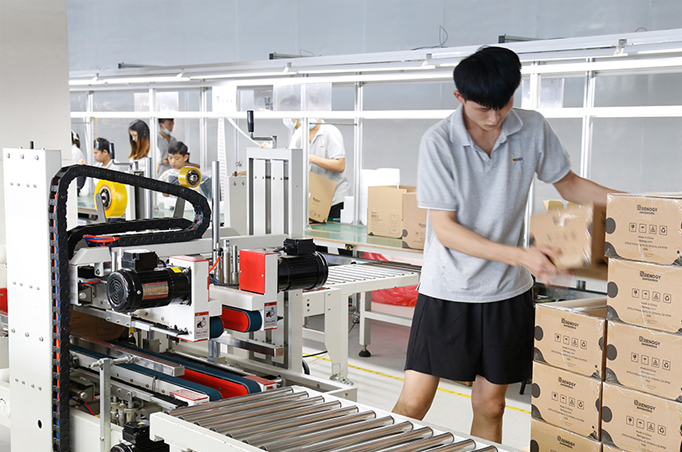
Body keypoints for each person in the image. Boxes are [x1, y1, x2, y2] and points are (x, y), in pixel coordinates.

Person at [391, 46, 619, 444]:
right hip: (448, 290)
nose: (494, 118)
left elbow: (569, 184)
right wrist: (520, 255)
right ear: (459, 96)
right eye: (483, 109)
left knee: (491, 405)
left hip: (506, 293)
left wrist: (642, 205)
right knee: (413, 403)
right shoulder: (439, 142)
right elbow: (446, 230)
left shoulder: (531, 128)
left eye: (504, 105)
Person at [286, 118, 349, 219]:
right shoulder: (300, 133)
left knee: (332, 227)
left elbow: (340, 165)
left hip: (334, 198)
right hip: (314, 197)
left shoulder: (330, 131)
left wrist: (312, 158)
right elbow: (291, 158)